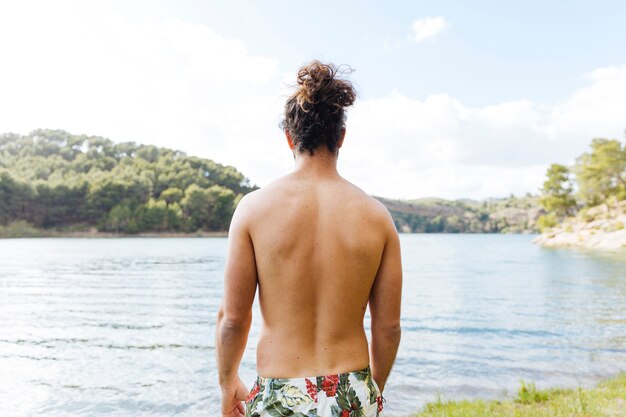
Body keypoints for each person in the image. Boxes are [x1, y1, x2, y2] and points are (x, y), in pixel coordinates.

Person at [215, 60, 402, 417]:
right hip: (353, 387)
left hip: (278, 391)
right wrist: (372, 389)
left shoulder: (253, 209)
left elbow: (233, 320)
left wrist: (228, 384)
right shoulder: (377, 217)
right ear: (341, 138)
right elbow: (388, 327)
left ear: (289, 138)